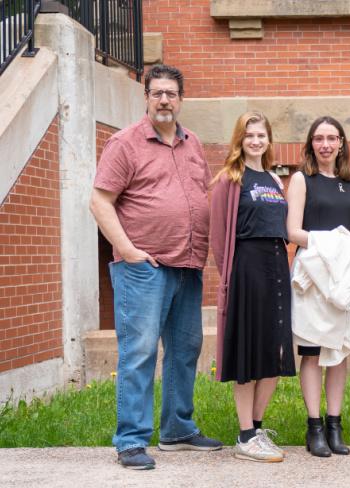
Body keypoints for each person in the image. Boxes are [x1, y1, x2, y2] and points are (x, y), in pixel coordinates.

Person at [91, 64, 222, 470]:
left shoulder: (193, 143)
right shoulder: (125, 143)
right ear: (146, 97)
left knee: (185, 350)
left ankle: (177, 429)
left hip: (187, 264)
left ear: (181, 100)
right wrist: (127, 249)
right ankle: (131, 439)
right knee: (140, 351)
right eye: (157, 93)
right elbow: (99, 201)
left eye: (171, 94)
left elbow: (199, 195)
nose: (164, 100)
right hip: (143, 267)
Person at [209, 111, 295, 463]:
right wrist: (232, 277)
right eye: (249, 136)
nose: (256, 141)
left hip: (277, 266)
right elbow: (217, 236)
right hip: (247, 269)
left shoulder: (275, 180)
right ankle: (245, 435)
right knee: (248, 353)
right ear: (239, 140)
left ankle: (258, 429)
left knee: (274, 352)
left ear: (269, 140)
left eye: (261, 135)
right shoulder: (230, 179)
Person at [286, 116, 350, 457]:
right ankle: (314, 426)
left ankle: (335, 425)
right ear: (311, 144)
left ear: (341, 143)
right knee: (312, 351)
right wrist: (331, 245)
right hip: (312, 277)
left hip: (344, 276)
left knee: (339, 350)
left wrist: (346, 251)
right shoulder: (302, 180)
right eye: (319, 138)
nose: (325, 144)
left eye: (332, 138)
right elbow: (292, 232)